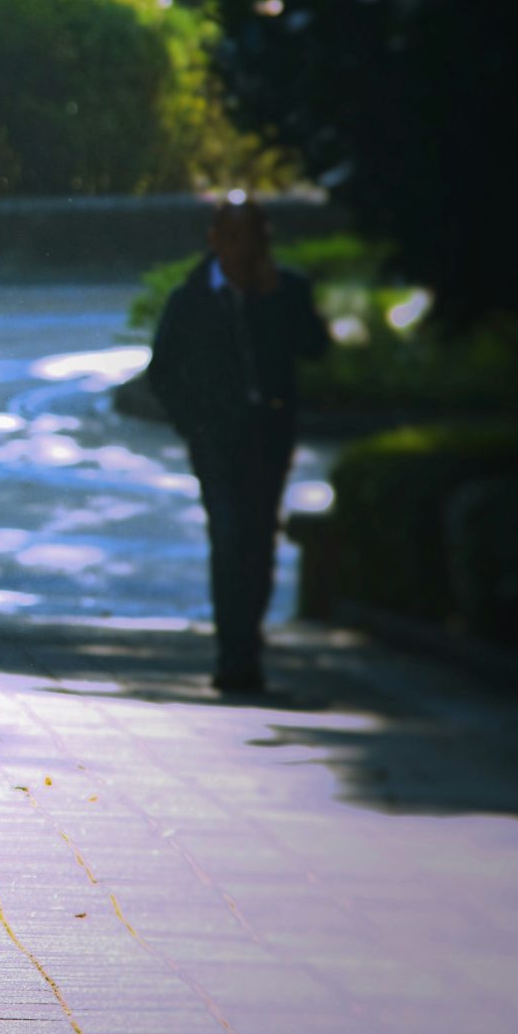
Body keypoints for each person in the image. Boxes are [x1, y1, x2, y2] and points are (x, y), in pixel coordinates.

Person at [147, 197, 330, 694]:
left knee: (258, 538)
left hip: (268, 436)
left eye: (252, 238)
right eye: (231, 237)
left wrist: (274, 301)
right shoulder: (193, 297)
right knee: (228, 537)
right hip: (216, 440)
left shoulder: (285, 289)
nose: (241, 249)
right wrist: (194, 425)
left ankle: (246, 645)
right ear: (215, 240)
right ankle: (234, 654)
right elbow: (162, 371)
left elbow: (315, 346)